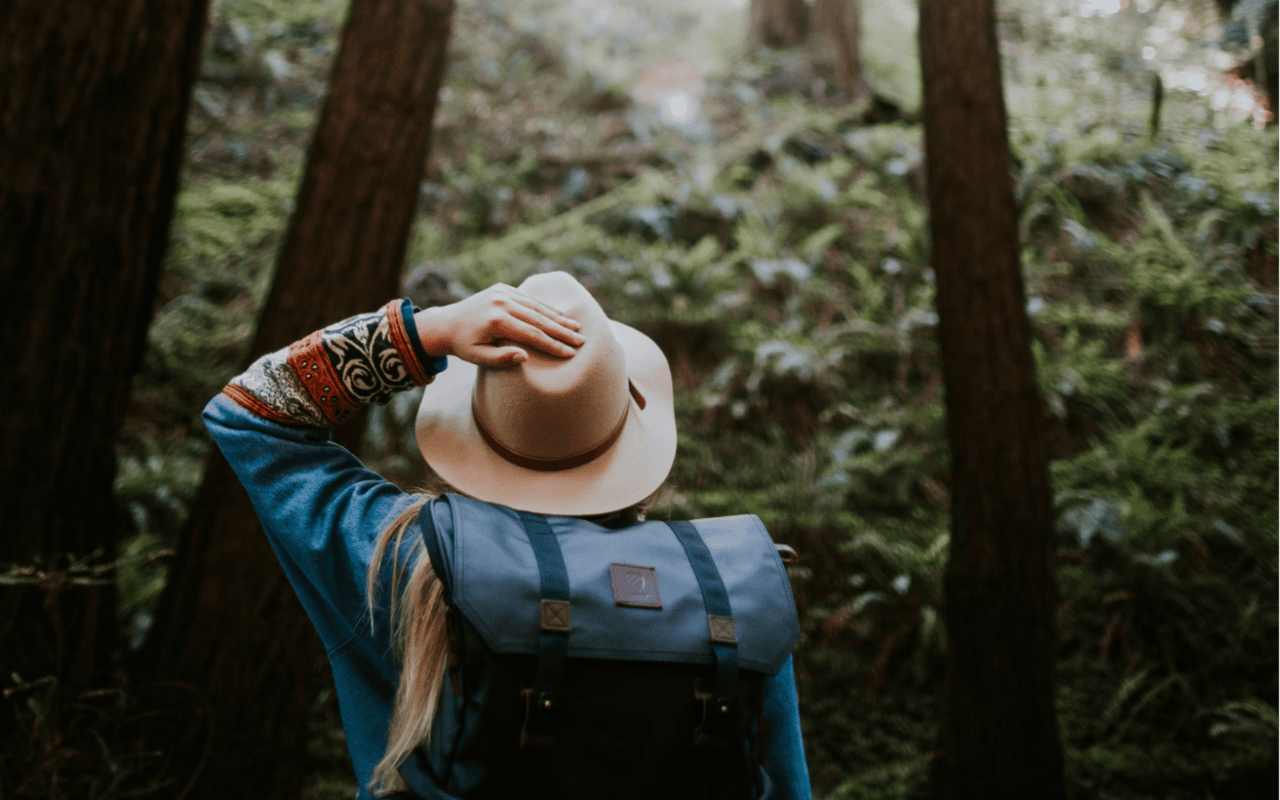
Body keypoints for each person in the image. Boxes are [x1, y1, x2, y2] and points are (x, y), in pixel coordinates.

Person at [204, 271, 811, 799]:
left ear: (476, 427)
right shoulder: (734, 593)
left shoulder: (410, 563)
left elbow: (251, 412)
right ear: (632, 432)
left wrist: (425, 332)